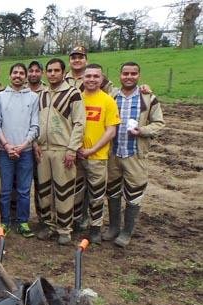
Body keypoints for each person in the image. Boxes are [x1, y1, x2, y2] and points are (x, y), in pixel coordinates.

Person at [105, 62, 165, 247]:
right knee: (112, 191)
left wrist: (143, 130)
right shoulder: (112, 95)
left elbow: (159, 123)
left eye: (133, 73)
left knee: (134, 192)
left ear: (139, 75)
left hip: (135, 155)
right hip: (113, 153)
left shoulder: (148, 98)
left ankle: (126, 231)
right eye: (125, 73)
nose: (129, 77)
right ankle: (114, 227)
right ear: (119, 75)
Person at [33, 58, 85, 245]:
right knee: (44, 190)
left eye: (56, 70)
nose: (53, 73)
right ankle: (48, 225)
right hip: (43, 150)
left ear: (63, 72)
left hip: (63, 149)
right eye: (50, 70)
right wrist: (35, 143)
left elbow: (79, 123)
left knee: (64, 191)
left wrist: (72, 148)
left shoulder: (73, 93)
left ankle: (65, 229)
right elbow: (36, 122)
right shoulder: (42, 94)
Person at [73, 63, 121, 242]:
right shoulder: (77, 98)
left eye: (96, 76)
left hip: (97, 158)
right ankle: (78, 223)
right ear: (82, 78)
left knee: (97, 195)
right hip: (77, 156)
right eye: (88, 76)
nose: (92, 79)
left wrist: (92, 150)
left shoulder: (108, 100)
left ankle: (95, 228)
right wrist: (76, 148)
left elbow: (111, 131)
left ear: (102, 79)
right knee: (76, 193)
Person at [0, 63, 39, 237]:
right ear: (9, 75)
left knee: (24, 189)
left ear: (25, 76)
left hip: (25, 152)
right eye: (15, 72)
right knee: (5, 189)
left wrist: (23, 145)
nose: (18, 75)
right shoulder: (0, 97)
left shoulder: (33, 97)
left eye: (21, 73)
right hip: (5, 151)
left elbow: (35, 125)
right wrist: (6, 145)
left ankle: (23, 221)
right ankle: (4, 221)